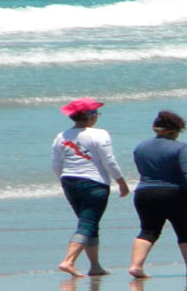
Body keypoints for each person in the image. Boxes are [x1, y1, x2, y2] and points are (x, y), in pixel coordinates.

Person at [51, 97, 130, 277]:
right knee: (88, 223)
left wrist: (63, 182)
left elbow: (56, 164)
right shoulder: (99, 134)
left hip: (69, 181)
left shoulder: (61, 136)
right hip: (94, 183)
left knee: (89, 224)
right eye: (96, 113)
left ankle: (95, 266)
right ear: (91, 116)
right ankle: (68, 261)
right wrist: (121, 183)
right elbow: (109, 161)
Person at [128, 110, 187, 278]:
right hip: (175, 194)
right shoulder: (182, 148)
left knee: (148, 230)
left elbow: (141, 170)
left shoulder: (140, 147)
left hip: (144, 193)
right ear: (175, 130)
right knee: (186, 232)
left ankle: (136, 266)